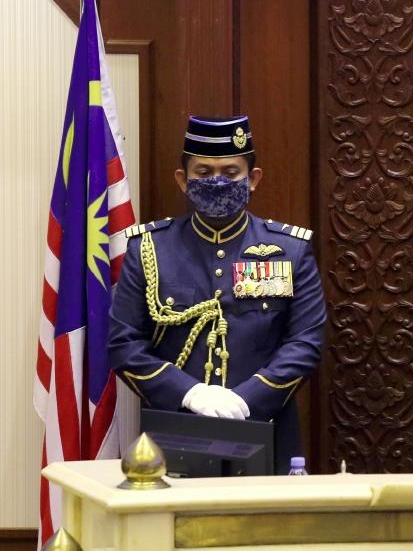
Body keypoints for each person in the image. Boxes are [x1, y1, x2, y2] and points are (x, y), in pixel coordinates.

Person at [109, 115, 326, 473]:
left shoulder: (290, 250)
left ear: (253, 179)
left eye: (230, 172)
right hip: (174, 436)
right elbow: (124, 344)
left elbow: (305, 342)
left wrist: (246, 399)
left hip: (265, 432)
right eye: (204, 172)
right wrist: (190, 394)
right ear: (183, 180)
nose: (217, 182)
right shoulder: (149, 249)